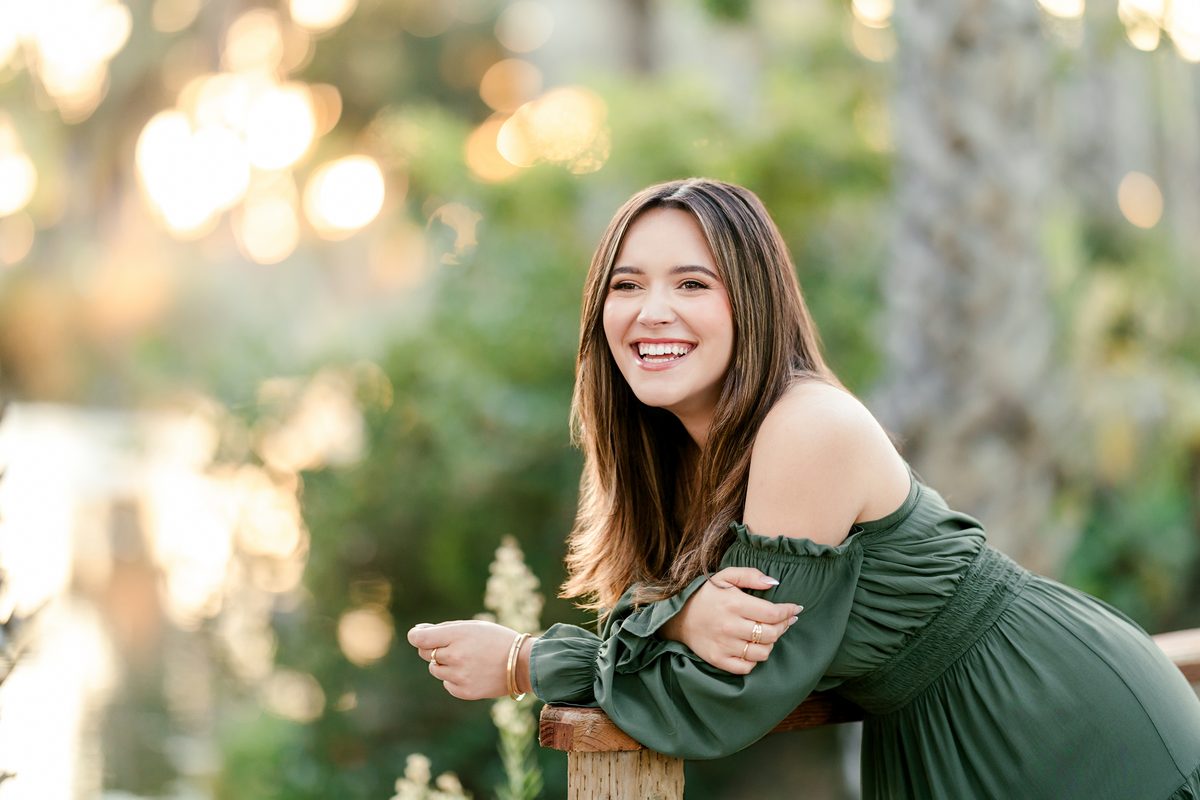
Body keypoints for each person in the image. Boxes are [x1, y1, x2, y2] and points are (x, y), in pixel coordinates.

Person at [406, 178, 1200, 798]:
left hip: (1061, 723)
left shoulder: (803, 430)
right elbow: (672, 629)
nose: (652, 312)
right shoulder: (681, 459)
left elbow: (725, 700)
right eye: (625, 286)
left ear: (750, 302)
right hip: (943, 738)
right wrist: (680, 621)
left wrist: (524, 661)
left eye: (692, 284)